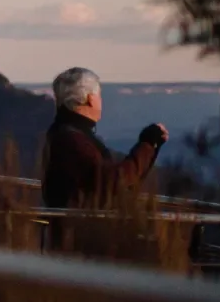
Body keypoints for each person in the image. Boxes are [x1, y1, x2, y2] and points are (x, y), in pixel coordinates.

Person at [41, 66, 168, 209]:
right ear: (90, 99)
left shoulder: (64, 132)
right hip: (81, 227)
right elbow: (111, 181)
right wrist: (147, 144)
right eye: (99, 95)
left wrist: (151, 147)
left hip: (77, 225)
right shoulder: (72, 139)